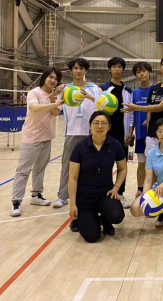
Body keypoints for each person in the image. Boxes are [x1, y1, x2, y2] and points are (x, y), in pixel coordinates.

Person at [10, 68, 64, 217]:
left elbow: (55, 113)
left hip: (47, 137)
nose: (53, 80)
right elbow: (35, 108)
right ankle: (16, 201)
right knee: (23, 171)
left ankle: (36, 195)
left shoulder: (56, 95)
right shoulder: (34, 93)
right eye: (50, 77)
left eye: (56, 79)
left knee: (40, 169)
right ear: (44, 77)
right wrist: (54, 103)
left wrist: (54, 101)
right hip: (32, 138)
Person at [68, 112, 127, 243]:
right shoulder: (80, 147)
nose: (100, 126)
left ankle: (105, 220)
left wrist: (116, 188)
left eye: (104, 123)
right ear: (90, 125)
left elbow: (123, 169)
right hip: (85, 198)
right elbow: (72, 178)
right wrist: (72, 204)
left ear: (109, 126)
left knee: (117, 216)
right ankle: (83, 218)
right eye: (96, 123)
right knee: (91, 237)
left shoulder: (115, 145)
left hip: (105, 194)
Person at [54, 58, 102, 215]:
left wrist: (90, 97)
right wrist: (53, 99)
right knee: (67, 166)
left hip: (91, 133)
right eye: (75, 68)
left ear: (86, 71)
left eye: (81, 68)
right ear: (71, 71)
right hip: (72, 132)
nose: (78, 71)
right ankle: (62, 196)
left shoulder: (94, 89)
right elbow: (55, 111)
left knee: (93, 166)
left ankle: (92, 194)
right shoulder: (65, 89)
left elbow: (103, 107)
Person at [123, 56, 163, 156]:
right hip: (152, 135)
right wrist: (147, 135)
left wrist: (136, 107)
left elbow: (160, 107)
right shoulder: (154, 89)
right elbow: (149, 112)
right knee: (151, 164)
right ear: (160, 68)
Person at [99, 57, 134, 208]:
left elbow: (131, 113)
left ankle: (120, 193)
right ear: (109, 69)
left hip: (122, 133)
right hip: (106, 134)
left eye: (119, 67)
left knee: (122, 165)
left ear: (123, 69)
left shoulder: (128, 91)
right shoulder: (103, 89)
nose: (117, 69)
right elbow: (98, 109)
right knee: (103, 164)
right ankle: (103, 192)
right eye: (114, 67)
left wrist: (130, 132)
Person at [127, 61, 154, 208]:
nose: (141, 74)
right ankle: (139, 190)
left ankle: (153, 190)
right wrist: (131, 132)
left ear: (149, 72)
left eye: (144, 71)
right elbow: (131, 114)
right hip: (140, 134)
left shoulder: (155, 90)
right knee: (141, 164)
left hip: (154, 135)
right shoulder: (135, 93)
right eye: (138, 72)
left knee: (154, 165)